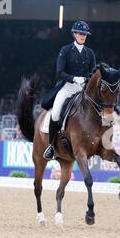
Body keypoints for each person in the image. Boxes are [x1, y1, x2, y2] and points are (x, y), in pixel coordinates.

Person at [41, 21, 96, 160]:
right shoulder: (65, 50)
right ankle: (51, 146)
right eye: (81, 33)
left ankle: (96, 144)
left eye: (85, 34)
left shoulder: (90, 53)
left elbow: (93, 73)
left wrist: (88, 80)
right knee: (56, 113)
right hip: (67, 88)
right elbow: (59, 73)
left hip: (83, 90)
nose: (83, 36)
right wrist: (74, 78)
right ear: (75, 34)